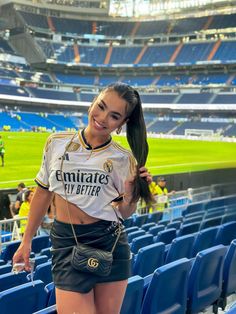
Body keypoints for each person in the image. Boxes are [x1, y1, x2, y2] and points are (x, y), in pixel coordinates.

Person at [13, 82, 153, 314]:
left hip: (110, 242)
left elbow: (125, 212)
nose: (102, 117)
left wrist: (130, 194)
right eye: (101, 106)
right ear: (93, 102)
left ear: (121, 124)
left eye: (114, 116)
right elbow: (43, 193)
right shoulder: (56, 142)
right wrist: (26, 240)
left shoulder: (124, 158)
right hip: (66, 243)